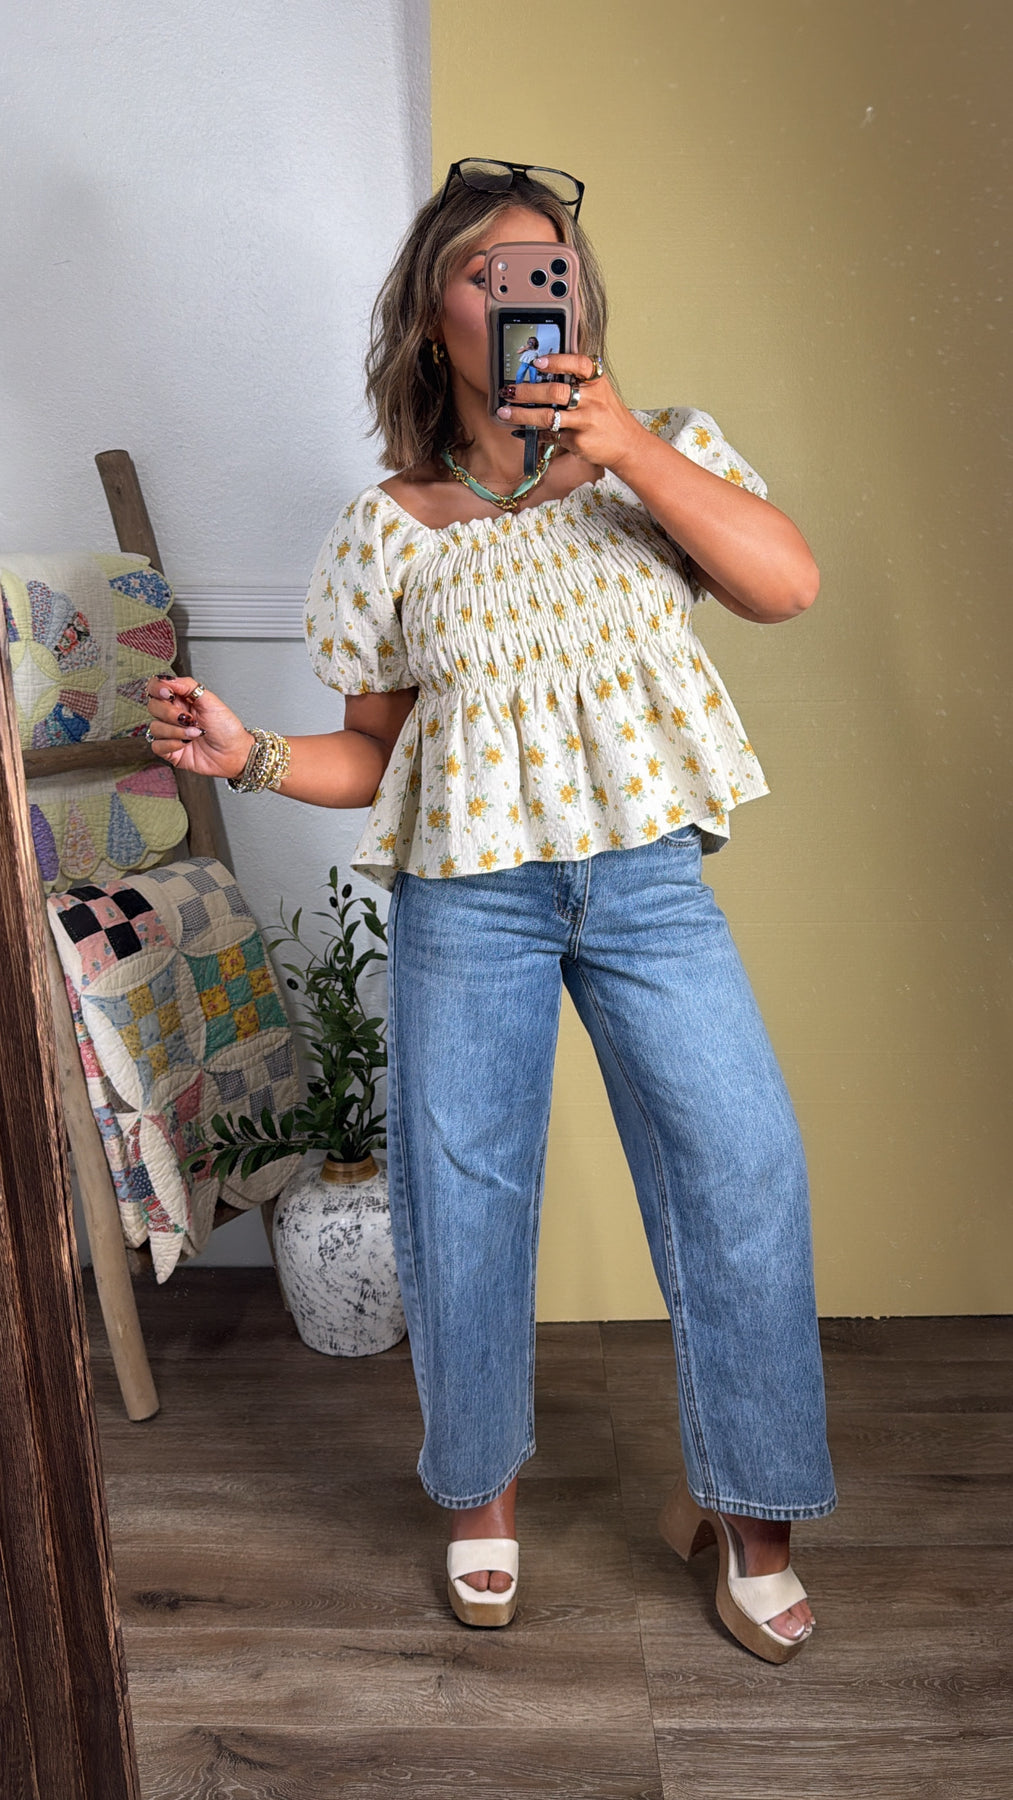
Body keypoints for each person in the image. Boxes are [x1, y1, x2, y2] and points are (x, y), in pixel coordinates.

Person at [144, 160, 836, 1663]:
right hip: (470, 901)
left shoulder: (661, 456)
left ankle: (752, 1509)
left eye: (554, 271)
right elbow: (374, 756)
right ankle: (479, 1494)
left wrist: (622, 443)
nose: (535, 295)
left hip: (645, 886)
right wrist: (246, 753)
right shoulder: (389, 530)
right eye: (493, 274)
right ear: (430, 318)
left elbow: (784, 586)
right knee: (463, 1198)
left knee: (742, 1170)